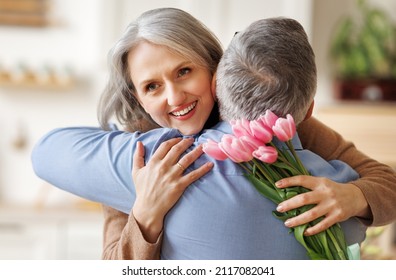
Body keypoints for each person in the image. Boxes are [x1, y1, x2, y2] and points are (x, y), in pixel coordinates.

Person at [30, 9, 396, 259]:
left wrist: (353, 196)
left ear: (216, 70)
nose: (174, 97)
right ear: (138, 98)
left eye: (184, 71)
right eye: (152, 87)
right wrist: (144, 217)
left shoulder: (271, 120)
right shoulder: (139, 155)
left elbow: (384, 181)